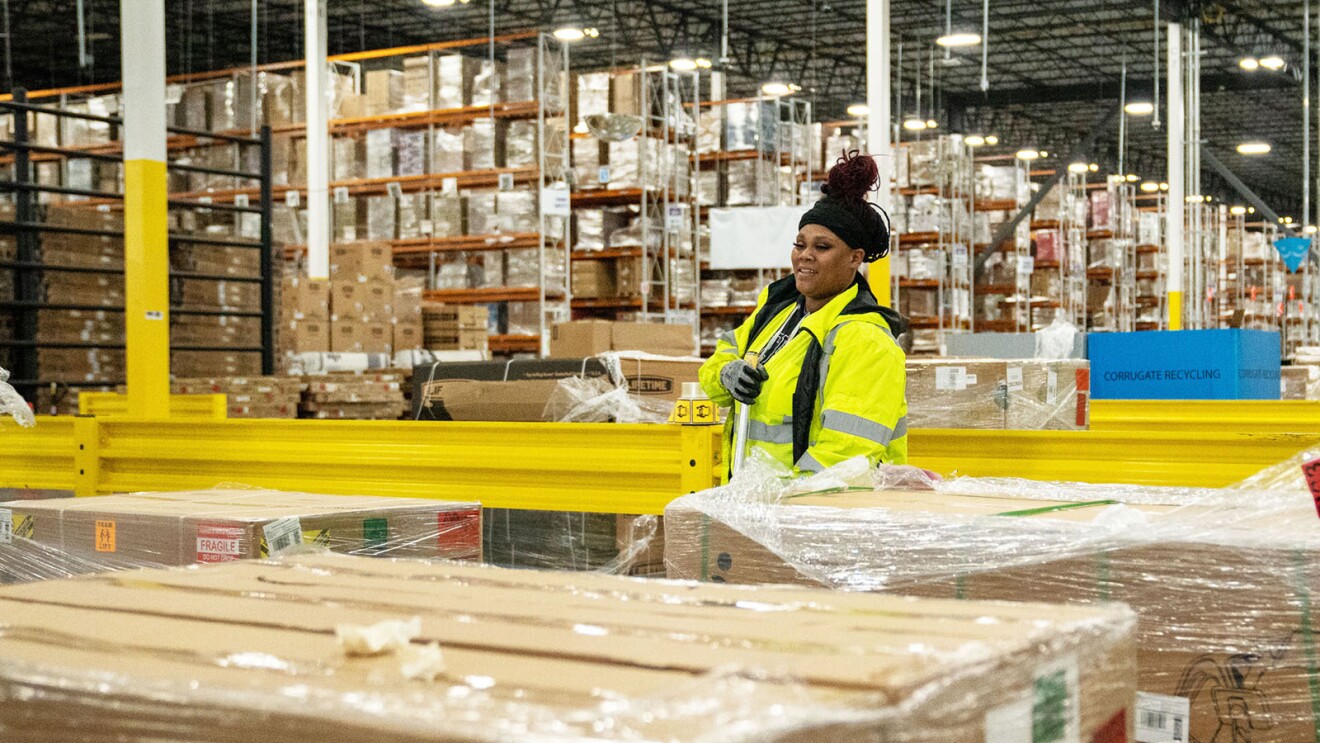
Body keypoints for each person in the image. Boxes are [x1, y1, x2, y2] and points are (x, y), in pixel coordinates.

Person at [699, 150, 909, 482]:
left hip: (812, 516)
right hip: (753, 507)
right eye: (800, 244)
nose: (804, 257)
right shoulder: (777, 310)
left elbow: (842, 461)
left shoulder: (865, 341)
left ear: (855, 258)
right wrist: (726, 372)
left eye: (822, 247)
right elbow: (723, 356)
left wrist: (781, 507)